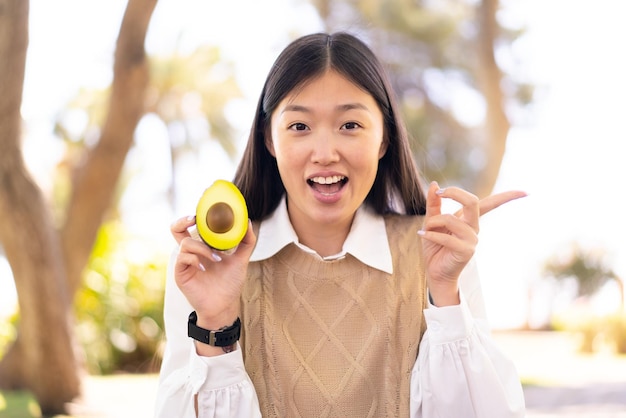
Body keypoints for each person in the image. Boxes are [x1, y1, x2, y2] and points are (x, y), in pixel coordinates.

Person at [155, 31, 526, 417]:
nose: (325, 153)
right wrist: (215, 324)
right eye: (300, 126)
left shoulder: (437, 252)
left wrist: (445, 295)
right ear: (269, 139)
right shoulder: (208, 262)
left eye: (350, 125)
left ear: (384, 139)